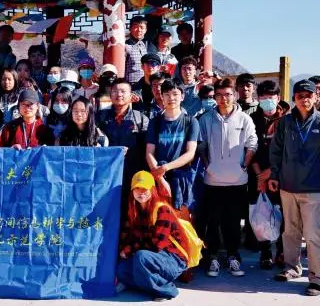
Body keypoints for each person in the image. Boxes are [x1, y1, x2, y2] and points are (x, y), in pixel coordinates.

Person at [269, 79, 320, 296]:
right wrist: (274, 175)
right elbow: (276, 150)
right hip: (287, 186)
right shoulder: (285, 122)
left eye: (309, 96)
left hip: (313, 188)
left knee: (312, 233)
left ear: (316, 97)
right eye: (300, 96)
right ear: (294, 99)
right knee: (290, 231)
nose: (304, 99)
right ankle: (291, 267)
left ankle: (318, 278)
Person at [197, 78, 257, 277]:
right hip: (213, 180)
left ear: (235, 95)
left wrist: (244, 166)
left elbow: (252, 144)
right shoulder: (206, 119)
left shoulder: (244, 119)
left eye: (228, 94)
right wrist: (208, 166)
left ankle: (233, 256)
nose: (224, 99)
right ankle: (213, 257)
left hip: (237, 181)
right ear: (215, 96)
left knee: (233, 221)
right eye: (220, 95)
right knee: (213, 221)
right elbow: (201, 146)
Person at [116, 171, 189, 301]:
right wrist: (123, 249)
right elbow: (126, 237)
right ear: (132, 191)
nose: (141, 192)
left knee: (141, 257)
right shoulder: (133, 211)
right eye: (137, 188)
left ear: (152, 189)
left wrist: (129, 250)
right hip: (149, 255)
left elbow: (157, 245)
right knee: (122, 269)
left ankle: (166, 290)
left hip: (173, 259)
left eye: (145, 188)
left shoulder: (162, 209)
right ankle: (148, 284)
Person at [249, 80, 289, 269]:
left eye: (271, 97)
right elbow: (250, 147)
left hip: (281, 174)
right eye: (263, 97)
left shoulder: (287, 120)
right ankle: (265, 251)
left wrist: (272, 171)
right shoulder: (252, 119)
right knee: (262, 212)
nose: (267, 101)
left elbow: (289, 150)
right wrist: (260, 176)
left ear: (278, 98)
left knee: (283, 213)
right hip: (257, 173)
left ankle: (282, 250)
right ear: (258, 99)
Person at [146, 80, 198, 211]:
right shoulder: (155, 122)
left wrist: (166, 167)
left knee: (182, 218)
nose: (171, 98)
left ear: (182, 96)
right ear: (162, 97)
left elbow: (190, 153)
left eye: (175, 94)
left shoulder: (191, 122)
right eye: (167, 94)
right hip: (158, 177)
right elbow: (149, 153)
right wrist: (160, 179)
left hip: (182, 179)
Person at [98, 78, 150, 208]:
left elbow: (148, 148)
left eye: (123, 91)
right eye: (115, 91)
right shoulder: (100, 117)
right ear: (110, 95)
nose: (119, 94)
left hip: (133, 174)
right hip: (107, 173)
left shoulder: (140, 119)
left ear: (131, 95)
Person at [125, 15, 150, 85]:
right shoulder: (125, 46)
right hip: (131, 85)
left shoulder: (143, 45)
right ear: (130, 28)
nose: (139, 30)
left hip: (144, 84)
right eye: (136, 27)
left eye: (142, 27)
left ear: (145, 30)